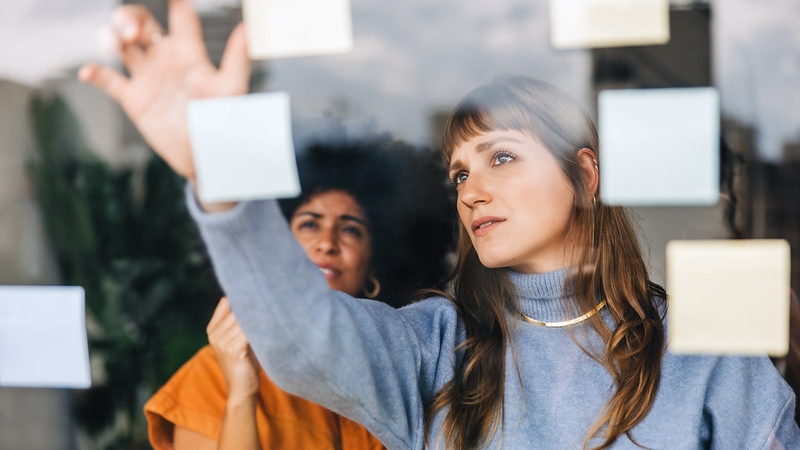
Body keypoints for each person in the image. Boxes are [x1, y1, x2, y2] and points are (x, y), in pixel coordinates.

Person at [80, 1, 800, 449]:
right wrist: (218, 174)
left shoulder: (702, 355)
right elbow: (298, 335)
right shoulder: (434, 347)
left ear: (585, 176)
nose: (472, 190)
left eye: (502, 157)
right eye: (459, 174)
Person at [143, 137, 455, 450]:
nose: (327, 242)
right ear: (277, 253)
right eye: (309, 224)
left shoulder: (401, 373)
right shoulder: (211, 375)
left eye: (350, 229)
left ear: (374, 271)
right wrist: (241, 393)